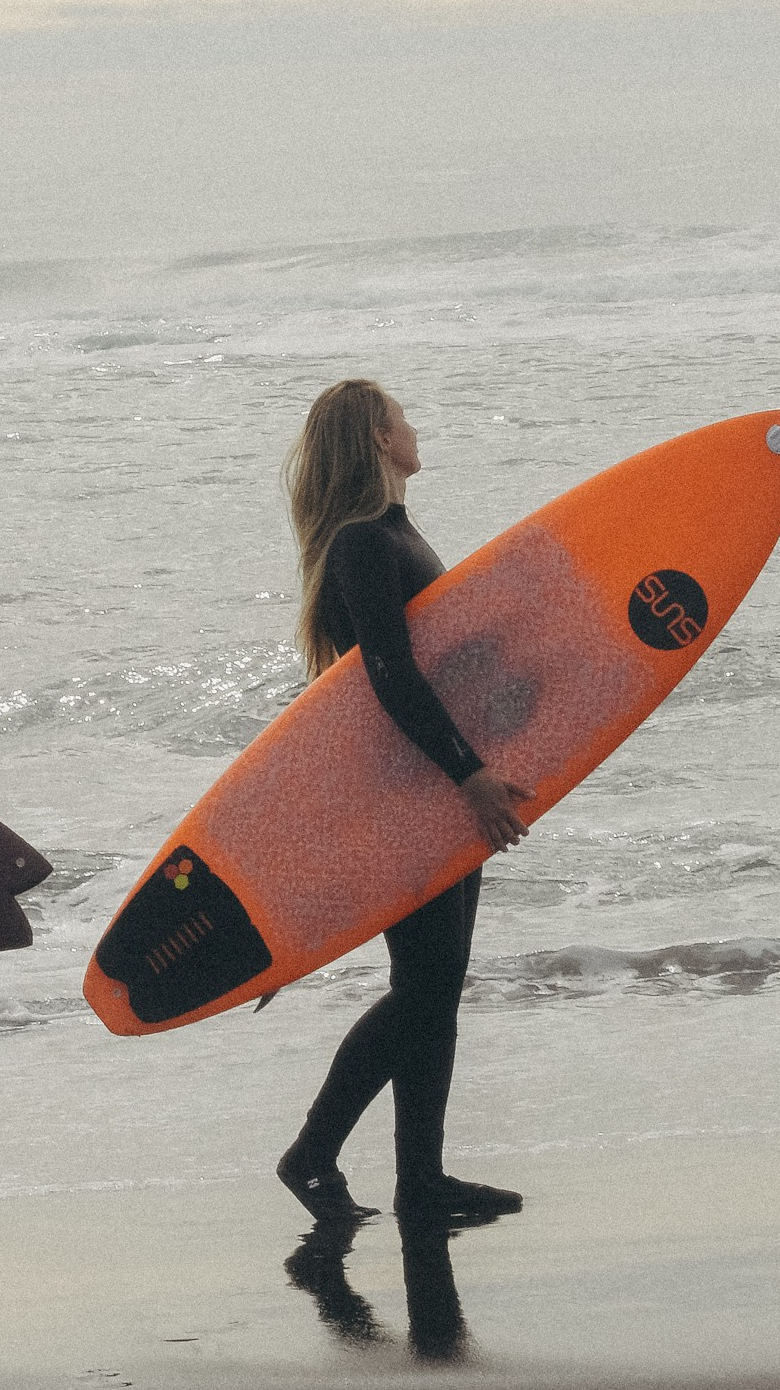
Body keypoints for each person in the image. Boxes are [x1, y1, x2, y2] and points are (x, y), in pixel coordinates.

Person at [271, 378, 532, 1227]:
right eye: (405, 417)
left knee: (437, 985)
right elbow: (391, 674)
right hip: (406, 792)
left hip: (432, 788)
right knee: (423, 989)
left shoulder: (393, 534)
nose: (417, 427)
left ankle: (422, 1177)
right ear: (381, 439)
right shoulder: (361, 543)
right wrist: (469, 773)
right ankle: (312, 1152)